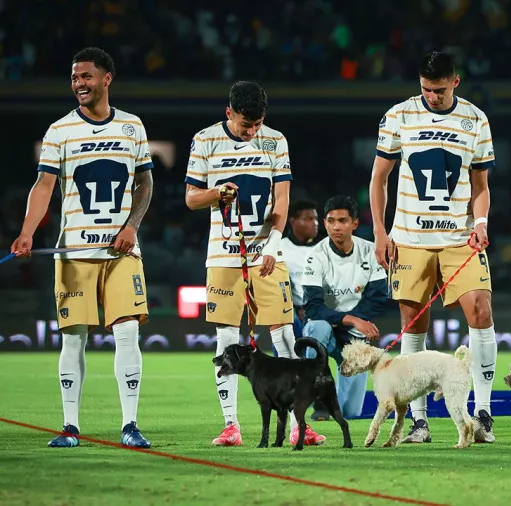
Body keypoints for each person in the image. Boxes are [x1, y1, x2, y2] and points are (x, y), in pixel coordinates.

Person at [11, 47, 154, 448]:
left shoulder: (132, 127)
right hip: (73, 252)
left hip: (121, 252)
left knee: (127, 333)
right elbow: (43, 186)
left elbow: (145, 183)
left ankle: (130, 426)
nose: (79, 84)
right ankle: (70, 427)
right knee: (73, 337)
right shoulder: (59, 131)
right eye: (75, 78)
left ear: (107, 79)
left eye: (87, 77)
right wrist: (27, 231)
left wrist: (132, 225)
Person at [184, 80, 325, 448]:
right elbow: (191, 198)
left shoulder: (275, 141)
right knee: (228, 340)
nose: (253, 131)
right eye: (247, 124)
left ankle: (299, 425)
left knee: (284, 336)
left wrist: (273, 244)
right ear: (228, 113)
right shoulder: (205, 140)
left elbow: (282, 201)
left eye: (258, 123)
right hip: (224, 255)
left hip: (267, 253)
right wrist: (216, 193)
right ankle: (231, 425)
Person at [369, 51, 498, 443]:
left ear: (455, 82)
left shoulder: (475, 119)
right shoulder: (399, 116)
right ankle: (419, 423)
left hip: (460, 238)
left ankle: (483, 414)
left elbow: (480, 186)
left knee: (480, 308)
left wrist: (480, 224)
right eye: (426, 89)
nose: (432, 96)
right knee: (413, 325)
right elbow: (379, 179)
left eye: (439, 90)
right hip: (409, 238)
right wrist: (379, 230)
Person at [300, 195, 388, 419]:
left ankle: (335, 402)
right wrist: (352, 320)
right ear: (325, 222)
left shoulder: (370, 251)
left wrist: (355, 323)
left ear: (355, 224)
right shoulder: (315, 256)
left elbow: (377, 297)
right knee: (316, 329)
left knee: (350, 411)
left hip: (353, 335)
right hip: (328, 328)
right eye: (331, 221)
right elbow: (312, 307)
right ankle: (319, 399)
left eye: (342, 221)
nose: (336, 227)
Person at [279, 198, 319, 350]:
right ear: (293, 221)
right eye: (308, 219)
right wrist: (295, 308)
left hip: (317, 309)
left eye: (315, 219)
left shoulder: (323, 248)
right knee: (285, 321)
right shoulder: (280, 247)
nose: (314, 223)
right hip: (291, 310)